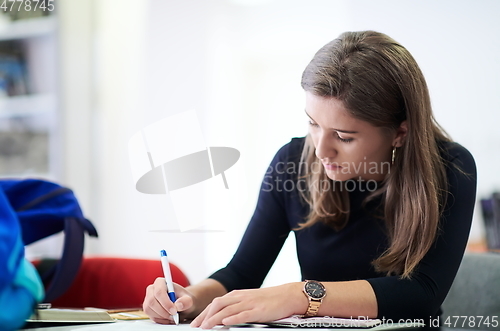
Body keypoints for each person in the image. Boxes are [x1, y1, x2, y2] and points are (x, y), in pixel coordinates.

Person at [142, 30, 477, 329]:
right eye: (313, 124)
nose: (320, 151)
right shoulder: (291, 163)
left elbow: (422, 294)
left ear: (400, 133)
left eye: (344, 137)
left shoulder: (450, 168)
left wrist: (302, 296)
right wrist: (189, 299)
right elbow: (241, 274)